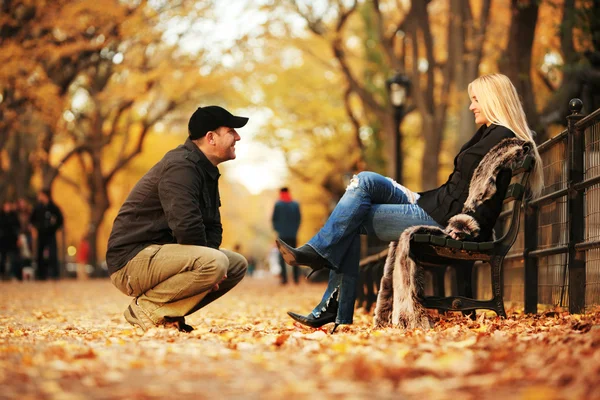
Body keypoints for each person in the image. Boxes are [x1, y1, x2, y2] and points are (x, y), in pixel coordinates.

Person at [277, 74, 544, 332]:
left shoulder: (501, 140)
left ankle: (329, 292)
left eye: (476, 99)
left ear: (493, 100)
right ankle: (320, 258)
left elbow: (484, 201)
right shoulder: (489, 134)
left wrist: (463, 228)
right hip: (429, 202)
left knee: (350, 217)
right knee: (365, 180)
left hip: (439, 218)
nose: (471, 105)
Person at [107, 105, 249, 332]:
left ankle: (168, 316)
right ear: (211, 138)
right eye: (231, 131)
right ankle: (146, 310)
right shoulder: (180, 167)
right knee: (216, 262)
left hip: (161, 256)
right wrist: (209, 266)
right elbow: (187, 226)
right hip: (131, 262)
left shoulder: (205, 170)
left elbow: (213, 227)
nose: (238, 136)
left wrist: (212, 272)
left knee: (235, 264)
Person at [30, 191, 64, 280]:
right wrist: (35, 228)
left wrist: (55, 227)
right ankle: (41, 275)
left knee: (53, 254)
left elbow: (60, 220)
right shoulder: (37, 208)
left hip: (51, 234)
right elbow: (32, 220)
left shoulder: (54, 207)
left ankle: (55, 274)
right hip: (41, 234)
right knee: (40, 254)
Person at [272, 187, 302, 284]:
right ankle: (296, 279)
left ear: (281, 193)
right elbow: (299, 218)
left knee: (282, 256)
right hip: (293, 234)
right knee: (295, 255)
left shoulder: (278, 204)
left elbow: (274, 219)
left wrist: (278, 230)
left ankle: (284, 280)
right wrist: (295, 229)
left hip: (282, 234)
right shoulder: (295, 204)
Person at [0, 201, 20, 280]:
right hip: (2, 239)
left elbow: (17, 227)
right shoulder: (1, 215)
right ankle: (2, 274)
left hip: (12, 240)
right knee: (2, 258)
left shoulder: (13, 215)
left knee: (13, 258)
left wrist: (18, 238)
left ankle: (13, 274)